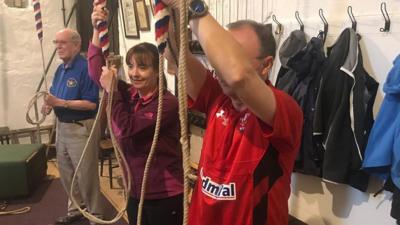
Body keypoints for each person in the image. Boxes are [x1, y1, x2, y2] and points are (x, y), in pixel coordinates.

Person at [162, 0, 304, 224]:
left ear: (266, 65)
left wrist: (191, 5)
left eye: (233, 55)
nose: (221, 67)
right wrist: (169, 12)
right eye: (219, 57)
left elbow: (238, 75)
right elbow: (175, 57)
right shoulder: (217, 95)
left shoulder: (285, 109)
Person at [88, 2, 184, 225]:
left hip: (164, 194)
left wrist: (113, 91)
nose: (133, 73)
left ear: (157, 71)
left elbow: (125, 129)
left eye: (142, 67)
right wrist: (96, 29)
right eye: (130, 66)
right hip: (135, 189)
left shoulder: (166, 104)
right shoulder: (130, 94)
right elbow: (96, 74)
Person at [41, 28, 103, 225]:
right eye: (56, 42)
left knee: (86, 176)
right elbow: (54, 97)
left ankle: (96, 216)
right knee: (67, 174)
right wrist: (48, 105)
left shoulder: (86, 68)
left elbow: (92, 103)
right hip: (62, 128)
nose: (58, 46)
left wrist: (60, 103)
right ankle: (76, 209)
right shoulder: (60, 70)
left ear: (76, 45)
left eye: (63, 42)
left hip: (80, 128)